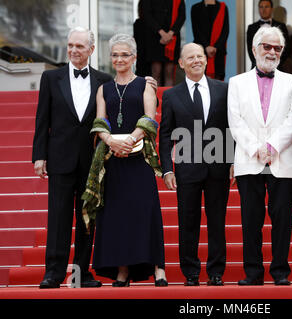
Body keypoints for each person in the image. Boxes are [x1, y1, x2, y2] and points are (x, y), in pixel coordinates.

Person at [32, 27, 113, 289]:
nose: (74, 50)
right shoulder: (50, 78)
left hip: (91, 160)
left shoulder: (103, 79)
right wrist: (39, 156)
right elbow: (42, 120)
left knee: (87, 218)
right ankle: (53, 274)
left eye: (80, 46)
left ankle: (81, 274)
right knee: (58, 218)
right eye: (70, 46)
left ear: (91, 49)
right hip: (59, 158)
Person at [86, 33, 167, 287]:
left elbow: (149, 119)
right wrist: (111, 141)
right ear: (110, 58)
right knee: (118, 216)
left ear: (134, 57)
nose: (119, 59)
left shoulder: (145, 84)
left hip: (139, 159)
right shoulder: (104, 89)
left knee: (145, 212)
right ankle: (122, 270)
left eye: (124, 54)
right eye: (115, 55)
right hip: (113, 160)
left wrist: (129, 140)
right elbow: (100, 122)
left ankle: (158, 268)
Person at [228, 26, 292, 286]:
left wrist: (271, 147)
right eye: (267, 46)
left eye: (277, 48)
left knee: (283, 220)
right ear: (254, 48)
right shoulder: (236, 83)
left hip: (284, 159)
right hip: (249, 160)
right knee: (251, 220)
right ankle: (253, 273)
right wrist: (255, 148)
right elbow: (235, 121)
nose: (271, 52)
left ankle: (280, 272)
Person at [159, 43, 232, 286]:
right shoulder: (171, 95)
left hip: (218, 165)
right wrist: (167, 168)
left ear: (206, 60)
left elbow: (231, 128)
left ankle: (216, 272)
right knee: (187, 222)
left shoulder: (224, 89)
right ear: (181, 63)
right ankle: (190, 272)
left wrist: (233, 161)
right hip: (187, 167)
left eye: (199, 56)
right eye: (190, 57)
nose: (196, 60)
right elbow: (166, 134)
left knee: (216, 221)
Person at [139, 0, 186, 86]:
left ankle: (168, 99)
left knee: (169, 72)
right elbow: (146, 14)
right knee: (156, 71)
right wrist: (161, 33)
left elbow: (182, 16)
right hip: (154, 36)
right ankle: (155, 99)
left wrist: (170, 33)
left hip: (172, 37)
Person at [191, 0, 229, 81]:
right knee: (201, 80)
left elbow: (225, 31)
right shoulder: (195, 8)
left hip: (218, 51)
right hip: (201, 51)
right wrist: (206, 47)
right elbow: (196, 31)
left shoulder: (223, 7)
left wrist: (215, 47)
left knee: (218, 81)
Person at [246, 0, 289, 70]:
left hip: (278, 68)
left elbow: (286, 49)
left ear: (272, 9)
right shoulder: (251, 28)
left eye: (266, 7)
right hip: (257, 69)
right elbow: (251, 50)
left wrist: (275, 63)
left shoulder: (281, 26)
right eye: (261, 7)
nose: (263, 10)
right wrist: (260, 65)